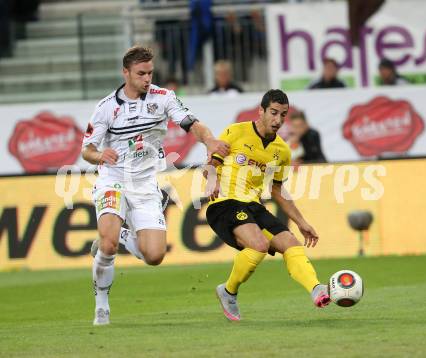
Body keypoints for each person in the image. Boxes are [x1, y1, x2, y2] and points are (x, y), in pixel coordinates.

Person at [82, 45, 229, 326]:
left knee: (154, 255)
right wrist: (100, 154)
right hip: (113, 179)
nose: (147, 78)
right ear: (125, 72)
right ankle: (102, 304)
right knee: (108, 244)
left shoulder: (163, 98)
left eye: (150, 72)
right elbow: (86, 150)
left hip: (146, 183)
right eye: (141, 73)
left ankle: (121, 237)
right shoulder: (105, 108)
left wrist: (208, 140)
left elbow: (191, 123)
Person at [205, 89, 330, 321]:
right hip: (224, 203)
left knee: (291, 243)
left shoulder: (282, 150)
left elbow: (277, 189)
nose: (278, 120)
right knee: (259, 245)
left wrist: (301, 222)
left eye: (283, 115)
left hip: (253, 205)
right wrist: (212, 179)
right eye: (273, 113)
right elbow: (211, 163)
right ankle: (229, 291)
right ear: (261, 111)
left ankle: (316, 288)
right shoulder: (236, 131)